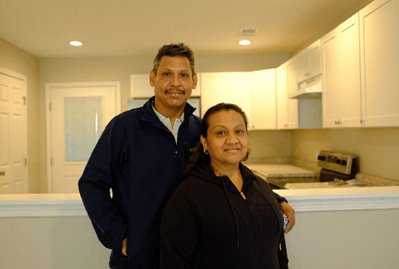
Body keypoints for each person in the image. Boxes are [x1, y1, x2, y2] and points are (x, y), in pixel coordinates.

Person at [78, 43, 293, 269]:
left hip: (189, 255)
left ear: (194, 81)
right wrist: (118, 236)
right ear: (153, 78)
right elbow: (92, 183)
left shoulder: (199, 130)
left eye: (183, 75)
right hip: (138, 257)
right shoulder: (124, 128)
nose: (175, 83)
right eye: (167, 74)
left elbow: (225, 172)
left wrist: (272, 199)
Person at [160, 103, 289, 269]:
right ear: (205, 142)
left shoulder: (261, 187)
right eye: (221, 133)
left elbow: (278, 251)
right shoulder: (188, 196)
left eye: (239, 131)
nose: (232, 140)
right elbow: (173, 262)